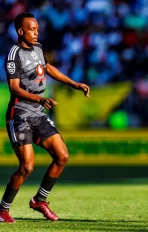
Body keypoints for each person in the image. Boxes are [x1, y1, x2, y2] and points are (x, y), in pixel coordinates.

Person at [0, 12, 90, 223]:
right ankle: (2, 209)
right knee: (27, 167)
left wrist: (74, 84)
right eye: (32, 29)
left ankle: (40, 200)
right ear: (20, 31)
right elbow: (14, 89)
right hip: (20, 115)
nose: (36, 33)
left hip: (38, 115)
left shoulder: (38, 48)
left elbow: (48, 68)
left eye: (37, 29)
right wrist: (39, 99)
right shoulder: (13, 54)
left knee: (62, 155)